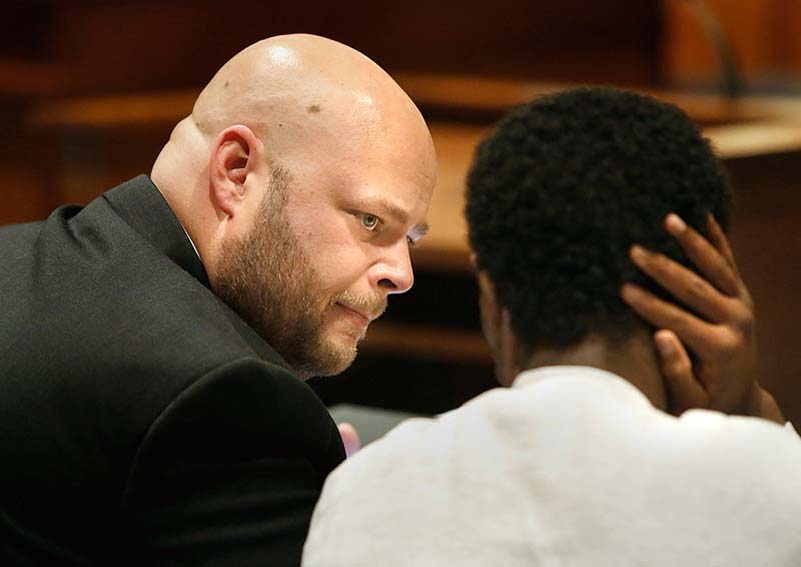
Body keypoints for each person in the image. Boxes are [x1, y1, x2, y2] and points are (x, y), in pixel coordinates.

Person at [301, 87, 801, 566]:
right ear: (704, 294)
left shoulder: (364, 492)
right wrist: (752, 410)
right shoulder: (776, 485)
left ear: (492, 295)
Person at [0, 34, 436, 565]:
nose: (402, 275)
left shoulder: (11, 256)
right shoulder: (230, 402)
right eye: (370, 220)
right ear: (236, 171)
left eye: (411, 239)